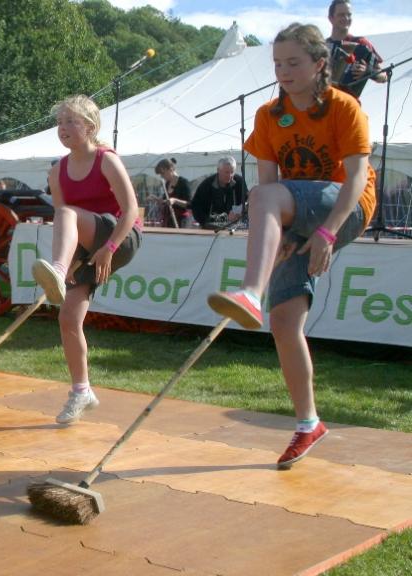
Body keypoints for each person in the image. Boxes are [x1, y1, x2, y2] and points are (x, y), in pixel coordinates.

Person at [207, 23, 376, 469]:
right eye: (277, 63)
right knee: (283, 322)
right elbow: (266, 185)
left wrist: (327, 233)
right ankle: (308, 423)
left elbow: (356, 178)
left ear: (320, 64)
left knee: (264, 199)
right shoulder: (268, 115)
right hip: (295, 210)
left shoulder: (344, 107)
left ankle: (249, 292)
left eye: (293, 63)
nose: (283, 71)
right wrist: (278, 236)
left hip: (347, 206)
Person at [30, 95, 142, 424]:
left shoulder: (106, 160)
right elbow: (69, 226)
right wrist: (82, 256)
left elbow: (132, 209)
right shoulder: (57, 171)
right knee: (68, 318)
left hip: (120, 237)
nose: (62, 128)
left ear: (90, 127)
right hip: (87, 242)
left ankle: (58, 269)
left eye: (70, 121)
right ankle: (82, 391)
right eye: (59, 122)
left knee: (65, 212)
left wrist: (108, 247)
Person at [325, 0, 385, 100]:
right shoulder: (321, 46)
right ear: (331, 18)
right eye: (341, 15)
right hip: (322, 105)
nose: (346, 18)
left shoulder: (361, 43)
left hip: (348, 105)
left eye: (349, 15)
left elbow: (384, 76)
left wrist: (368, 72)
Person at [191, 156, 248, 230]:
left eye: (232, 172)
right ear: (218, 170)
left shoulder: (240, 182)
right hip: (211, 227)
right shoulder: (206, 185)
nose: (230, 175)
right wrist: (206, 222)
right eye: (227, 172)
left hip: (235, 226)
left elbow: (246, 202)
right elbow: (196, 206)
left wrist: (239, 214)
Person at [154, 158, 192, 228]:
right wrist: (157, 199)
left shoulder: (184, 183)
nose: (161, 176)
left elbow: (190, 204)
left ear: (171, 169)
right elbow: (166, 201)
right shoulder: (167, 184)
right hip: (169, 221)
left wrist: (175, 201)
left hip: (181, 222)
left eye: (163, 173)